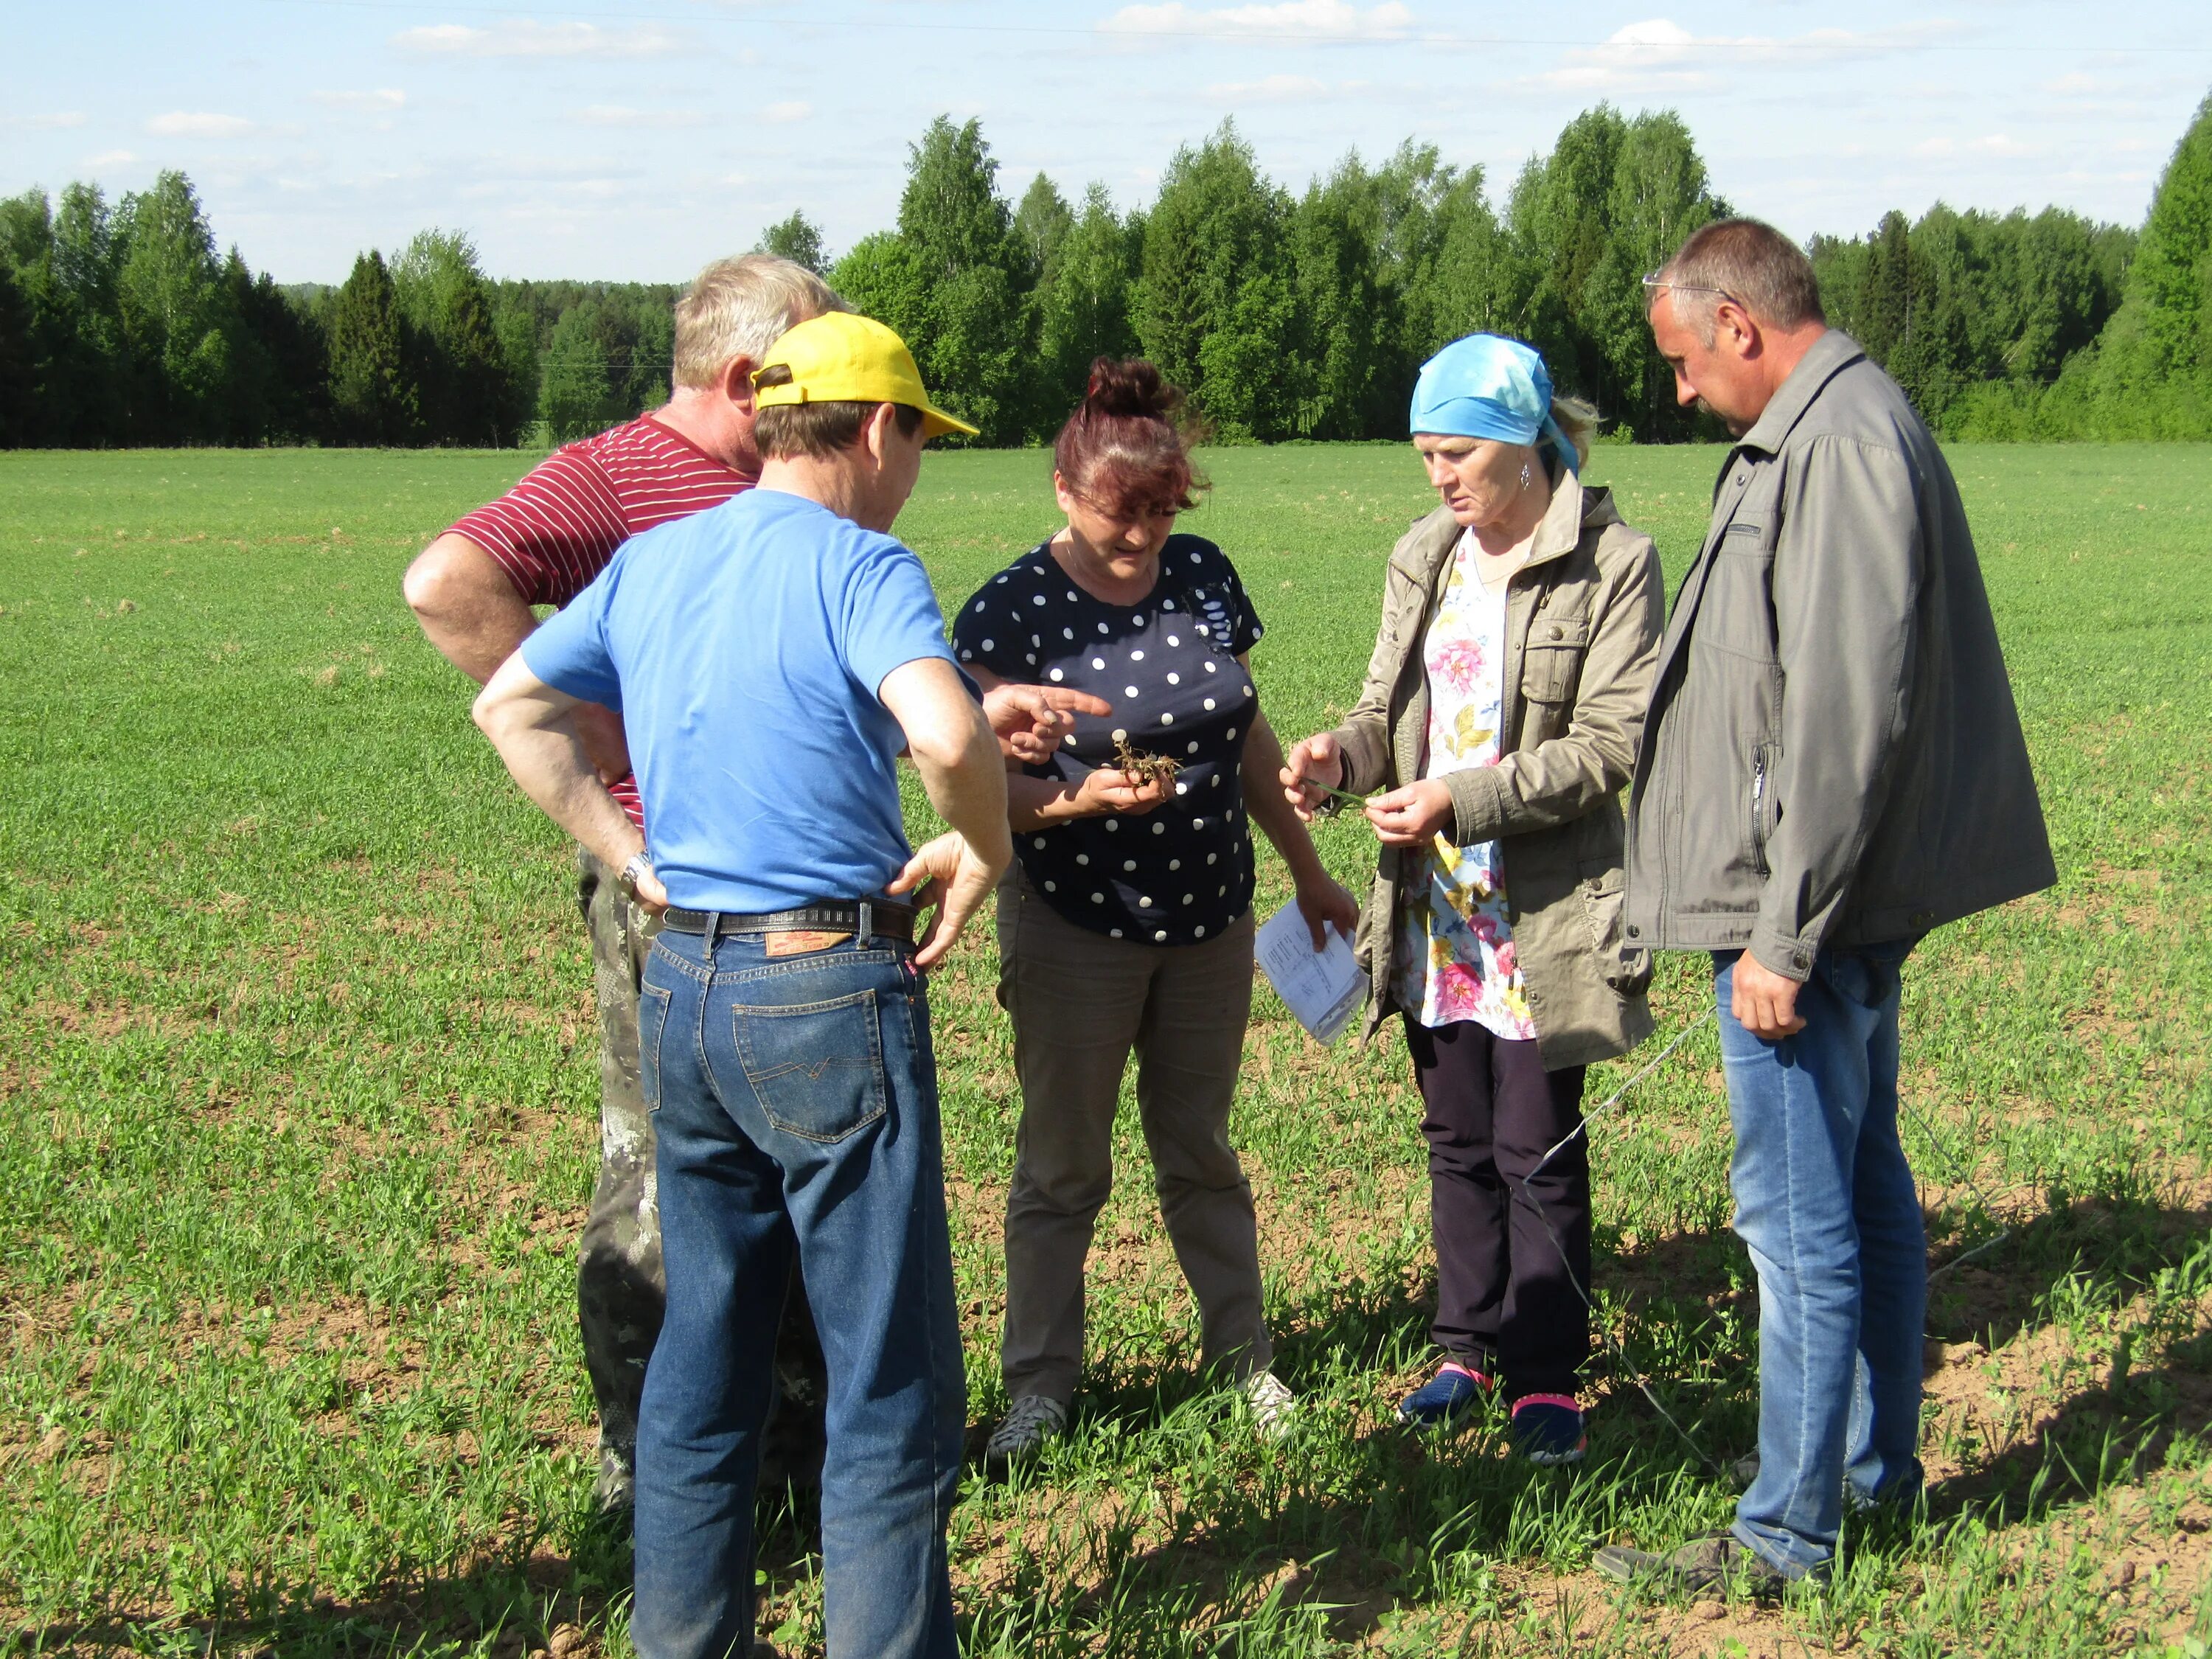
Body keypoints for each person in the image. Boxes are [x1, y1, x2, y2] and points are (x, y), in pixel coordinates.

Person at [403, 255, 1091, 1512]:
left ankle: (761, 1475)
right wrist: (624, 766)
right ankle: (669, 1459)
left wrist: (971, 707)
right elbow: (446, 585)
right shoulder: (629, 481)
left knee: (751, 1223)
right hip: (737, 921)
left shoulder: (748, 522)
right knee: (676, 1204)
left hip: (738, 922)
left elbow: (795, 686)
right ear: (757, 381)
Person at [471, 310, 1008, 1659]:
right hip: (826, 985)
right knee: (886, 1384)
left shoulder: (653, 560)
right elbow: (946, 732)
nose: (914, 472)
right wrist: (985, 845)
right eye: (919, 443)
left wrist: (628, 855)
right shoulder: (863, 564)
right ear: (878, 430)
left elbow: (509, 706)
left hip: (685, 987)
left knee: (704, 1354)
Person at [1593, 220, 2055, 1595]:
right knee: (1859, 1191)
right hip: (1818, 899)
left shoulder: (1842, 439)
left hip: (1801, 912)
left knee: (1798, 1224)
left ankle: (1789, 1533)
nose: (1678, 390)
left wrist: (1783, 932)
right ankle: (1869, 1479)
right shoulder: (1831, 424)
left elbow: (1850, 709)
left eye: (1683, 359)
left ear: (1739, 325)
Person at [950, 359, 1359, 1466]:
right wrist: (1077, 796)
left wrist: (1308, 870)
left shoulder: (1205, 578)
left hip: (1211, 923)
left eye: (1163, 512)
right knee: (1062, 1167)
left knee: (1203, 1154)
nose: (1143, 537)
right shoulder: (1009, 611)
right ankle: (1038, 1389)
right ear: (1062, 489)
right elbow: (973, 790)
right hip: (1077, 926)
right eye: (1120, 515)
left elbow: (1246, 729)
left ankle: (1247, 1362)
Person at [1280, 334, 1663, 1465]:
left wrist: (1463, 797)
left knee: (1534, 1143)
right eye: (1425, 456)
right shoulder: (1427, 555)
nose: (1440, 477)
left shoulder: (1615, 563)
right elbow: (1381, 709)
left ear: (1521, 443)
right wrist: (1337, 761)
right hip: (1434, 904)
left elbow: (1607, 748)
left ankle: (1544, 1373)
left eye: (1457, 453)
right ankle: (1463, 1349)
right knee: (1454, 1136)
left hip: (1541, 911)